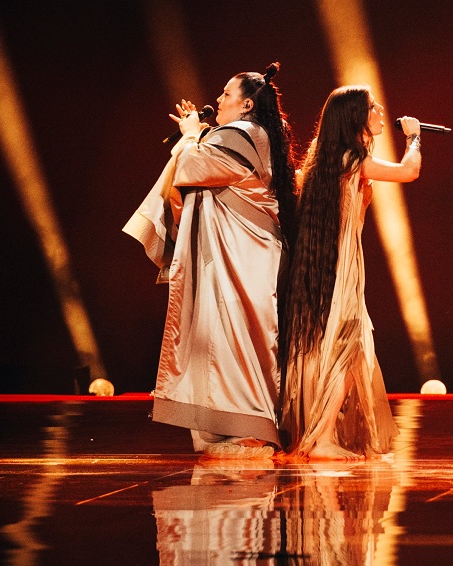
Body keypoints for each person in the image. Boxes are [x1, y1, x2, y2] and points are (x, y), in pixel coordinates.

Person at [123, 63, 297, 458]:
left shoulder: (246, 134)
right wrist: (198, 135)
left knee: (241, 339)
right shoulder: (241, 134)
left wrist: (190, 136)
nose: (216, 100)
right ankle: (228, 428)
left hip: (246, 258)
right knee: (224, 338)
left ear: (248, 104)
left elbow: (192, 166)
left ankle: (250, 428)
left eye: (225, 95)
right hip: (239, 256)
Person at [280, 85, 422, 460]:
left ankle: (320, 433)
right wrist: (414, 137)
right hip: (340, 268)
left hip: (327, 265)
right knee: (349, 344)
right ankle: (321, 438)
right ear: (354, 117)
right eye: (372, 106)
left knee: (337, 347)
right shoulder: (351, 159)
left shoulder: (322, 160)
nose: (379, 111)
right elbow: (409, 172)